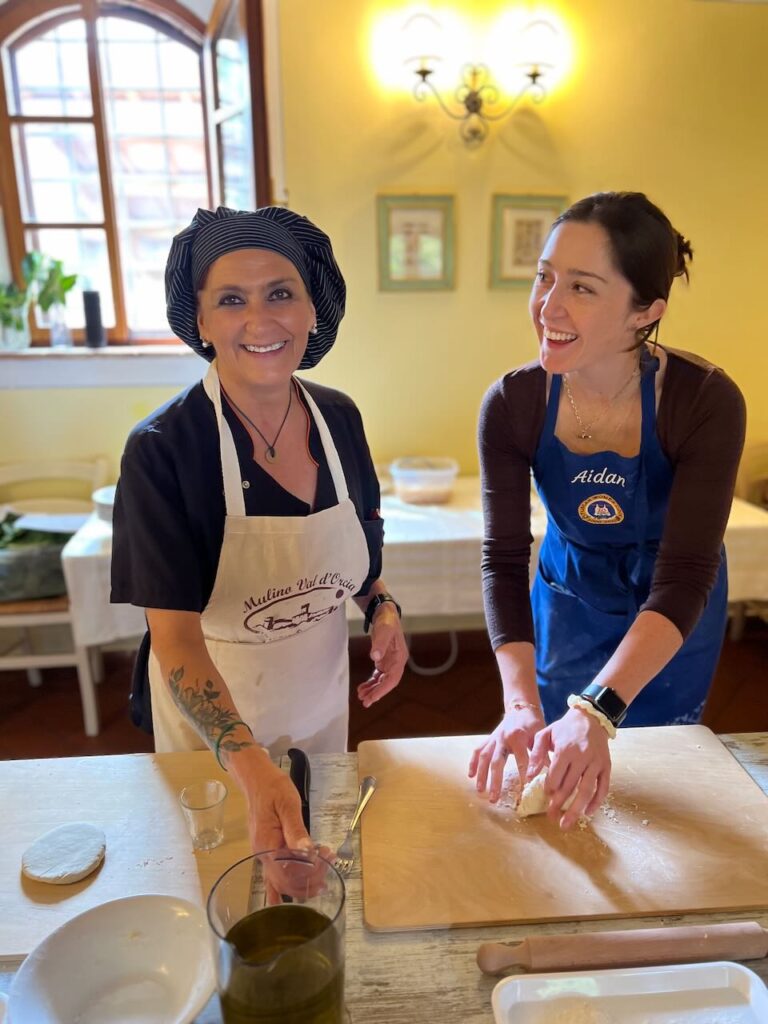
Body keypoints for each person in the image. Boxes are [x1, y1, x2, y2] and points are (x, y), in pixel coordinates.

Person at [112, 205, 407, 853]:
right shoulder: (164, 450)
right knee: (222, 877)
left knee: (318, 862)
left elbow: (363, 561)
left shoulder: (340, 420)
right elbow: (176, 641)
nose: (260, 319)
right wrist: (251, 766)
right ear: (201, 321)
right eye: (231, 300)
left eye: (281, 293)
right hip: (217, 738)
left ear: (311, 309)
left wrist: (382, 610)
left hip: (321, 705)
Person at [468, 191, 746, 830]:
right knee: (556, 777)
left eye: (583, 288)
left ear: (646, 310)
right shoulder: (512, 404)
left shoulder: (702, 401)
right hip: (568, 604)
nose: (548, 305)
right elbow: (503, 560)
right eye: (544, 276)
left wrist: (596, 711)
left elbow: (685, 575)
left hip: (672, 616)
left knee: (661, 800)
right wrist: (517, 705)